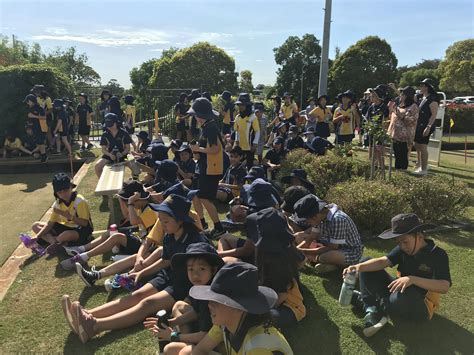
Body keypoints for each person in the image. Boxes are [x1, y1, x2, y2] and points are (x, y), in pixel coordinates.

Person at [61, 194, 209, 343]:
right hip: (167, 275)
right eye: (161, 220)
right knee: (136, 295)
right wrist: (141, 272)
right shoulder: (169, 236)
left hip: (183, 285)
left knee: (146, 304)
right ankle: (86, 315)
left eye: (166, 221)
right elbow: (165, 262)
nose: (162, 225)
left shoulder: (195, 240)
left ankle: (94, 326)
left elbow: (209, 265)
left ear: (180, 220)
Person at [344, 213, 451, 337]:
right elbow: (383, 261)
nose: (402, 246)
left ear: (419, 237)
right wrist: (358, 267)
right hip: (399, 290)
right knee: (365, 262)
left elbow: (444, 286)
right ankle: (371, 307)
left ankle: (369, 303)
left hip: (422, 304)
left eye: (405, 241)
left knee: (398, 299)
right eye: (398, 242)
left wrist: (412, 279)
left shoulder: (438, 254)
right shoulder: (402, 248)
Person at [180, 262, 293, 354]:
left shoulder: (258, 347)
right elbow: (201, 349)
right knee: (183, 351)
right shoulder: (224, 324)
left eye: (218, 301)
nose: (209, 305)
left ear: (239, 307)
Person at [143, 242, 224, 353]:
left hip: (215, 343)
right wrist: (171, 322)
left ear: (213, 270)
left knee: (170, 349)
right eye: (191, 269)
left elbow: (205, 335)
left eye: (202, 269)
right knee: (179, 305)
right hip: (208, 335)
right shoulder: (200, 287)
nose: (195, 275)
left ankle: (186, 343)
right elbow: (196, 312)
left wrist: (174, 336)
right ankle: (187, 341)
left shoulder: (211, 297)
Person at [59, 180, 157, 271]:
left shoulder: (150, 210)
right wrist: (121, 200)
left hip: (147, 246)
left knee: (116, 236)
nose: (127, 203)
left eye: (128, 201)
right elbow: (127, 216)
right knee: (112, 231)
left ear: (137, 198)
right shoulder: (142, 206)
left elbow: (133, 221)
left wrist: (130, 202)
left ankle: (83, 256)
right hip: (143, 239)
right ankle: (82, 249)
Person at [247, 207, 306, 329]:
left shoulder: (277, 263)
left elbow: (282, 296)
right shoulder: (286, 246)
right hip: (271, 288)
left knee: (256, 319)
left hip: (289, 305)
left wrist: (261, 308)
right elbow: (302, 261)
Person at [294, 194, 363, 274]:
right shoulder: (319, 218)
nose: (307, 222)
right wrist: (295, 250)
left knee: (329, 256)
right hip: (327, 245)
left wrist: (303, 251)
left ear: (315, 216)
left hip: (348, 251)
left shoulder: (338, 219)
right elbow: (311, 237)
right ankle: (318, 261)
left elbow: (332, 247)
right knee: (299, 236)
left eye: (307, 220)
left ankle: (318, 260)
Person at [28, 173, 93, 255]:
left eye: (66, 190)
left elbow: (84, 223)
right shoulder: (57, 204)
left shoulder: (79, 201)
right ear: (56, 193)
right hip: (65, 227)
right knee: (35, 226)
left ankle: (55, 242)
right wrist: (37, 236)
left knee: (65, 235)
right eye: (60, 192)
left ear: (71, 187)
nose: (63, 194)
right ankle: (56, 243)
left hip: (81, 229)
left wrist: (70, 217)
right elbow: (50, 223)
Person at [95, 113, 138, 179]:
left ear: (116, 123)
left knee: (134, 165)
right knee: (97, 166)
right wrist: (110, 155)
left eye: (111, 124)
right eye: (108, 125)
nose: (109, 127)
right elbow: (103, 149)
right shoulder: (105, 134)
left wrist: (122, 154)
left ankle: (135, 182)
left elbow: (127, 148)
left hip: (124, 155)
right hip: (110, 155)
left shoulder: (124, 133)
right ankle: (103, 183)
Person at [387, 87, 419, 170]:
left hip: (405, 136)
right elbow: (393, 118)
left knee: (403, 154)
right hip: (395, 134)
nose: (400, 96)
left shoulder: (413, 107)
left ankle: (403, 170)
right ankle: (397, 170)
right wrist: (391, 110)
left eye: (402, 94)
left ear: (407, 96)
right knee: (397, 154)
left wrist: (396, 111)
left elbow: (408, 120)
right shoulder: (399, 105)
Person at [414, 79, 439, 175]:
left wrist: (428, 127)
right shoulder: (421, 97)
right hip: (418, 125)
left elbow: (434, 115)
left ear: (427, 87)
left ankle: (424, 169)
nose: (420, 87)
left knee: (423, 146)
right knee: (417, 145)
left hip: (426, 125)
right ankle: (420, 165)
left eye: (422, 85)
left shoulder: (432, 99)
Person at [366, 85, 390, 173]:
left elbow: (386, 120)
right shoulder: (371, 107)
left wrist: (383, 131)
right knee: (372, 149)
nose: (371, 97)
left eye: (373, 96)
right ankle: (373, 166)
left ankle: (381, 167)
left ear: (378, 96)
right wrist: (368, 128)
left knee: (379, 150)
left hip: (380, 132)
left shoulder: (384, 107)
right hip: (372, 131)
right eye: (371, 96)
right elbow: (367, 119)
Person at [233, 93, 260, 170]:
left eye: (242, 105)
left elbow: (257, 131)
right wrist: (236, 141)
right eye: (239, 105)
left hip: (249, 146)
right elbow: (236, 131)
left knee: (249, 165)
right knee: (240, 165)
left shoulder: (252, 117)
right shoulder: (237, 117)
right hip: (240, 146)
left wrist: (255, 144)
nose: (240, 107)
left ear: (247, 105)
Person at [24, 93, 48, 162]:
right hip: (34, 128)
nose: (27, 103)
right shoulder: (30, 109)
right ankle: (42, 155)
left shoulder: (39, 108)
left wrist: (34, 116)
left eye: (28, 101)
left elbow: (44, 117)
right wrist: (29, 125)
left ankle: (44, 155)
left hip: (41, 127)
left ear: (32, 100)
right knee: (38, 142)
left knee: (41, 142)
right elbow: (30, 118)